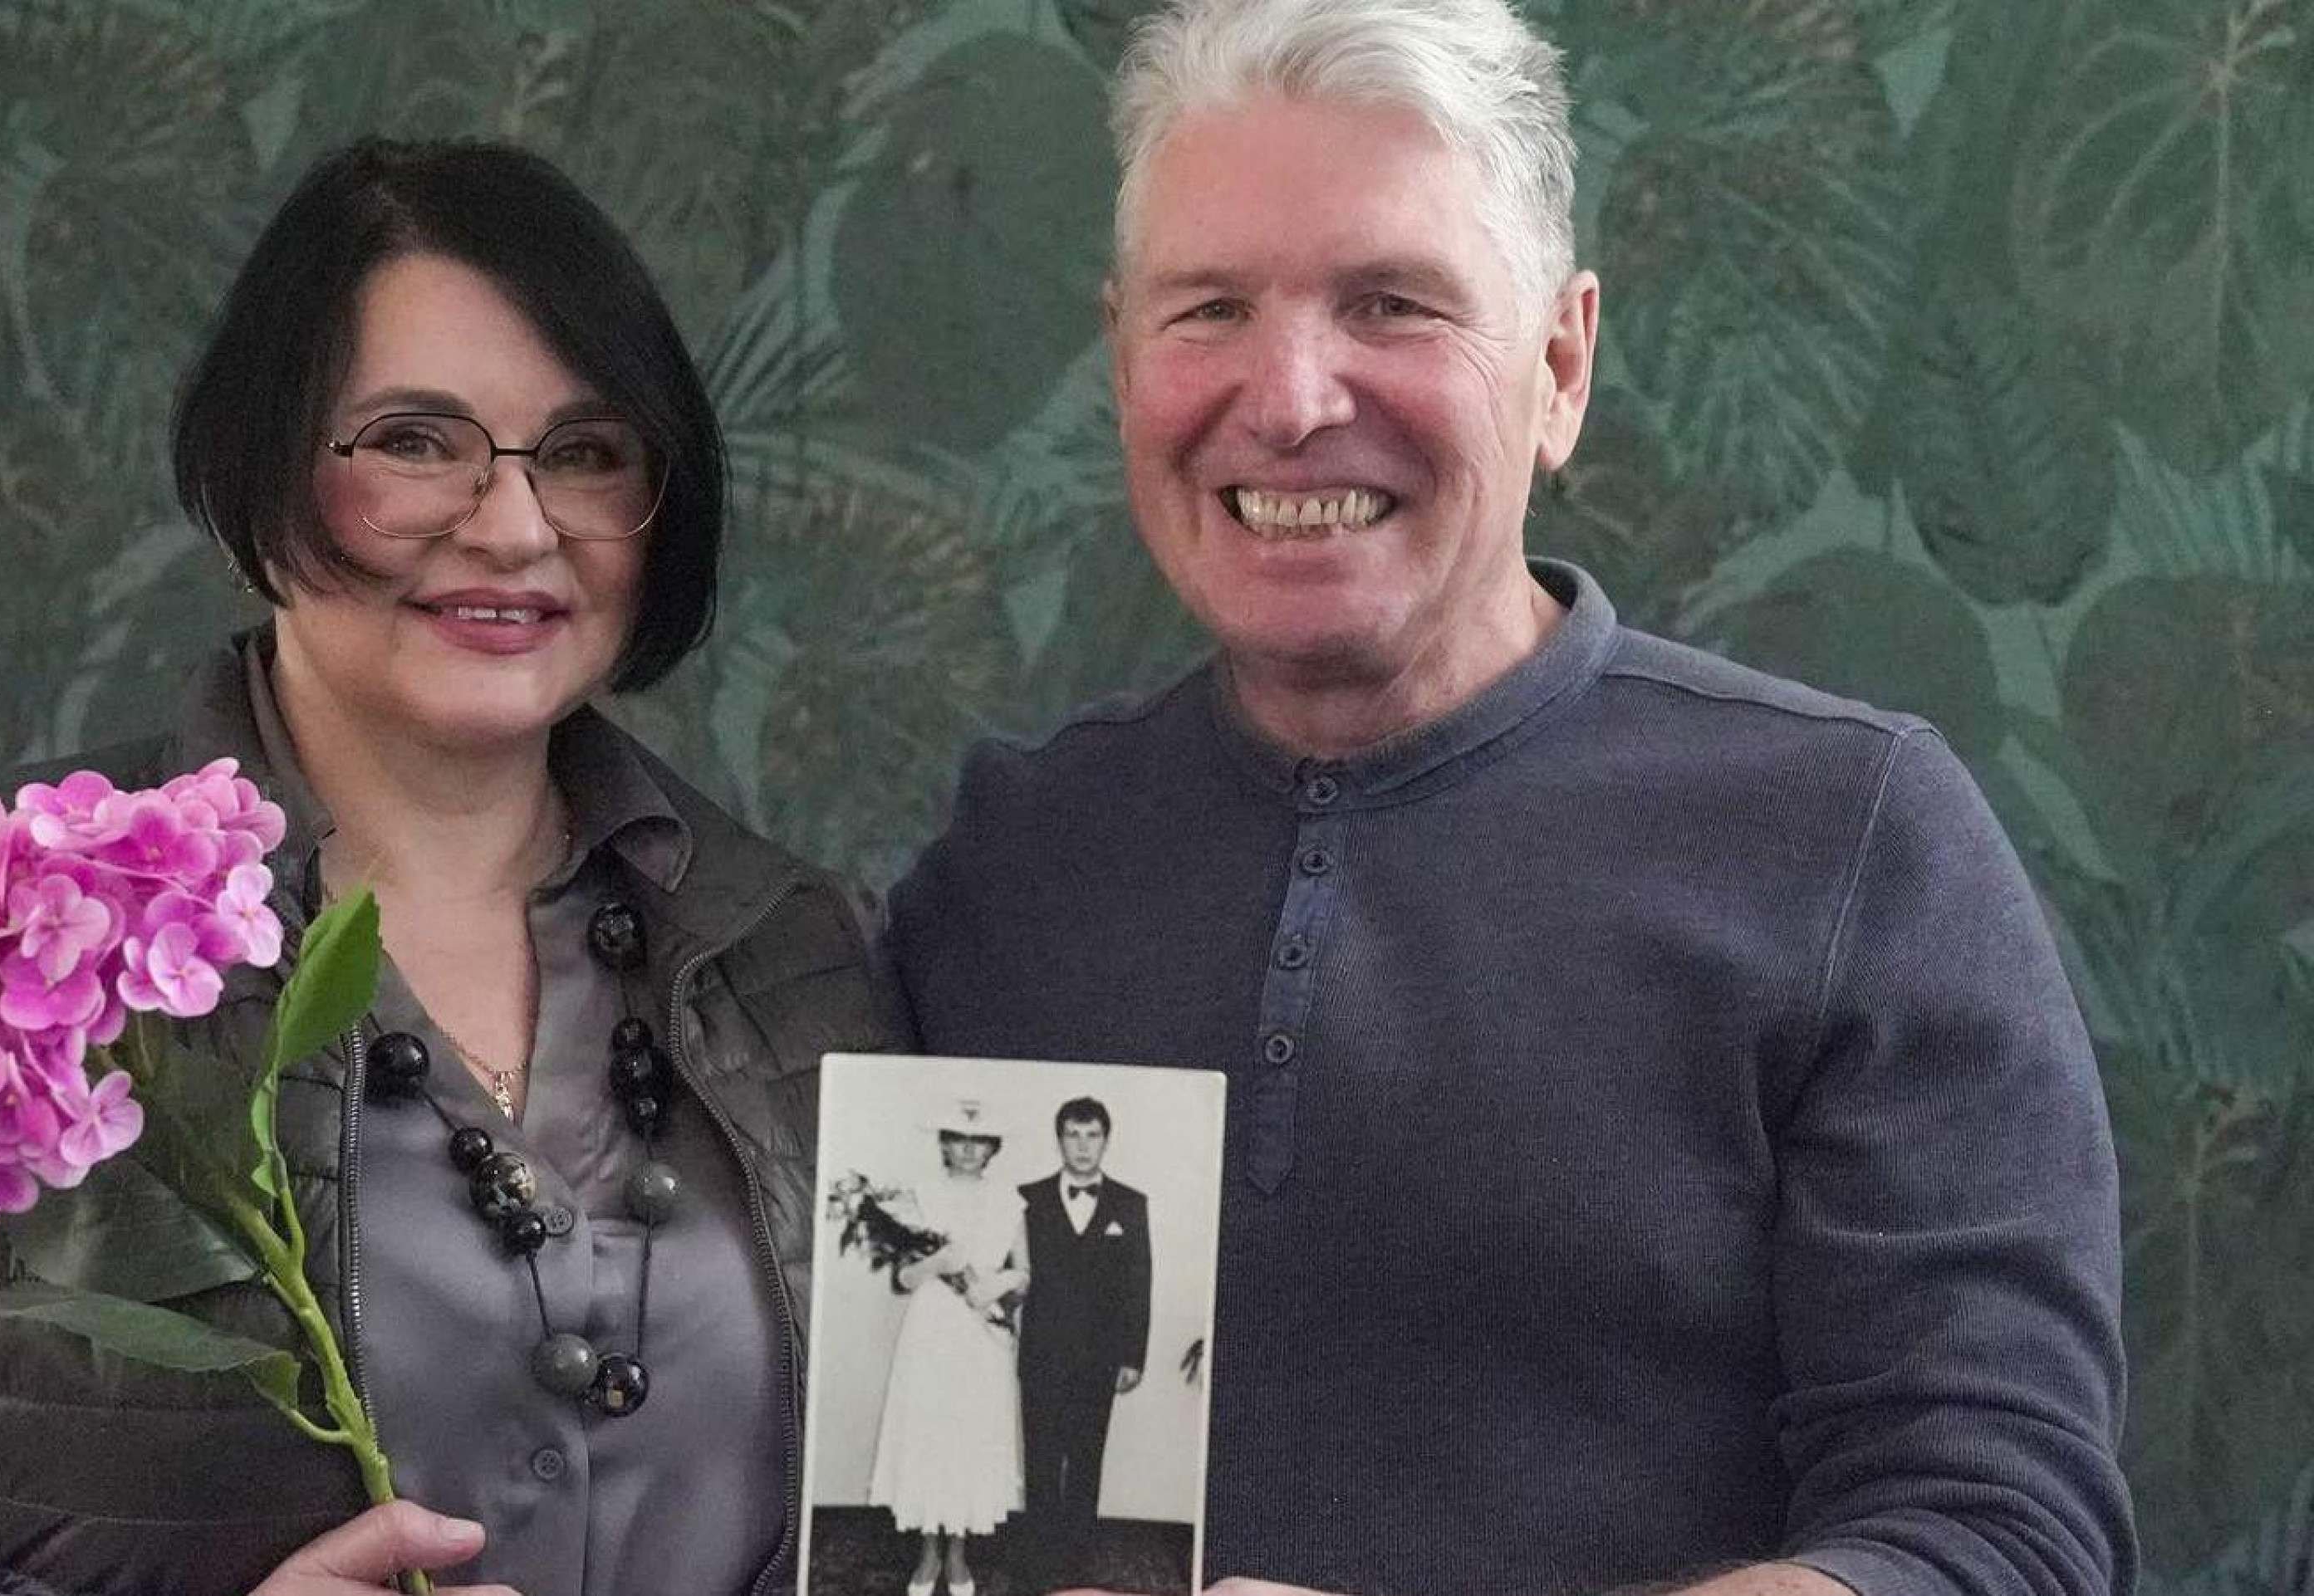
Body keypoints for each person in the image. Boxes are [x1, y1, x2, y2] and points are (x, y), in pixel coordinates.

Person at [886, 3, 2132, 1596]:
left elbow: (1997, 1541)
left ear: (1557, 365)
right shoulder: (1006, 863)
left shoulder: (1855, 844)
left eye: (1390, 304)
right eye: (1210, 310)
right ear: (1125, 360)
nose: (1289, 397)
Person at [0, 138, 901, 1596]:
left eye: (584, 453)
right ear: (256, 480)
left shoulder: (798, 954)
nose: (516, 527)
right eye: (415, 441)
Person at [869, 1099, 1030, 1596]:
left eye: (978, 1141)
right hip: (933, 1328)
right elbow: (901, 1278)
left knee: (969, 1434)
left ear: (992, 1148)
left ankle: (958, 1551)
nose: (968, 1149)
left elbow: (1024, 1273)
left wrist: (999, 1284)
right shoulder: (918, 1198)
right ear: (944, 1144)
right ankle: (928, 1552)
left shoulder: (1009, 1202)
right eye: (958, 1139)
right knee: (931, 1432)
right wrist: (937, 1265)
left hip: (982, 1331)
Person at [1012, 1097, 1150, 1593]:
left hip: (1100, 1357)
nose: (1083, 1146)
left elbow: (1139, 1283)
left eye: (1092, 1135)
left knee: (1088, 1455)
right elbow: (1010, 1271)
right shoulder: (1027, 1199)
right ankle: (1039, 1558)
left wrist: (1133, 1356)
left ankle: (1079, 1557)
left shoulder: (1130, 1203)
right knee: (1041, 1457)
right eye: (1073, 1135)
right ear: (1059, 1140)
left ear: (1106, 1140)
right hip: (1043, 1352)